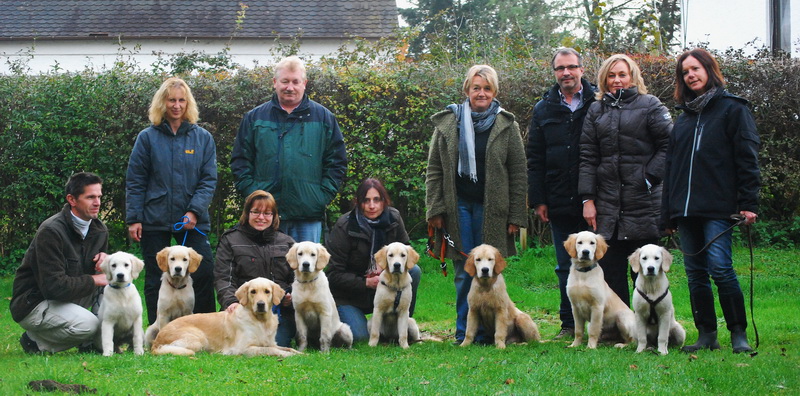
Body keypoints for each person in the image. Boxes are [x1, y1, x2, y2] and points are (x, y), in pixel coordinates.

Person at [663, 48, 760, 353]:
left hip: (719, 207)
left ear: (709, 69)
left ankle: (738, 333)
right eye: (685, 72)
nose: (690, 75)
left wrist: (749, 202)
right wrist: (667, 213)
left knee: (720, 268)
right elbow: (672, 168)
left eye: (695, 69)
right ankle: (706, 335)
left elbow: (747, 158)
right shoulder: (683, 119)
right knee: (695, 274)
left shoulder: (733, 109)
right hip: (685, 210)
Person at [426, 65, 528, 343]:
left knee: (491, 271)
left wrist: (516, 215)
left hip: (493, 209)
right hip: (458, 207)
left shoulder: (507, 124)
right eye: (476, 88)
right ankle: (465, 333)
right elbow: (434, 168)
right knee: (463, 270)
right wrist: (435, 209)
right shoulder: (448, 123)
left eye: (487, 88)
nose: (481, 93)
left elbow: (518, 172)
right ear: (467, 91)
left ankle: (491, 332)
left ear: (494, 92)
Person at [579, 54, 672, 308]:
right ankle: (619, 329)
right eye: (611, 75)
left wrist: (649, 178)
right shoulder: (596, 109)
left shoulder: (651, 105)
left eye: (622, 74)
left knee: (645, 273)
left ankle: (650, 329)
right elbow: (588, 155)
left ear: (632, 77)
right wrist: (588, 198)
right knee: (610, 271)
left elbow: (669, 146)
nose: (617, 80)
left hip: (643, 201)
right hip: (608, 204)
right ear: (604, 79)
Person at [126, 77, 217, 326]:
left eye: (181, 100)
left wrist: (194, 211)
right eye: (171, 100)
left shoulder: (203, 138)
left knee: (205, 270)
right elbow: (136, 180)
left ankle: (206, 326)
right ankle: (159, 330)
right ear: (162, 103)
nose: (176, 105)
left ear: (188, 104)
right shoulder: (147, 138)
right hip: (154, 219)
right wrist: (134, 218)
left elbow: (208, 180)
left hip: (193, 220)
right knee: (156, 276)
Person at [231, 55, 347, 243]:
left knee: (306, 271)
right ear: (275, 82)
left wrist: (321, 196)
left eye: (295, 82)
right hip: (265, 215)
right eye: (285, 81)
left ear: (305, 83)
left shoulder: (324, 118)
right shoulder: (254, 118)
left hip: (308, 215)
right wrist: (254, 196)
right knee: (266, 271)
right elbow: (240, 161)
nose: (290, 87)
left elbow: (337, 161)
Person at [527, 48, 595, 340]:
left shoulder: (597, 103)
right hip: (557, 199)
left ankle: (605, 323)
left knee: (600, 262)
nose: (566, 73)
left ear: (581, 69)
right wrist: (538, 199)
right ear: (554, 72)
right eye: (560, 69)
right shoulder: (543, 109)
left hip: (594, 198)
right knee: (564, 265)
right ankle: (569, 325)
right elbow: (535, 157)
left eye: (571, 67)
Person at [10, 172, 109, 353]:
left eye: (99, 197)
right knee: (89, 325)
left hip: (68, 297)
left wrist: (107, 261)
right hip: (34, 302)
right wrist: (96, 279)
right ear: (72, 199)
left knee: (116, 279)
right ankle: (35, 342)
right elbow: (53, 287)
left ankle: (91, 344)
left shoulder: (99, 229)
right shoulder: (51, 231)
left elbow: (102, 273)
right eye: (90, 197)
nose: (97, 203)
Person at [327, 178, 421, 342]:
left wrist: (385, 269)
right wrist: (366, 282)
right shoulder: (344, 225)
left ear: (384, 201)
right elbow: (333, 275)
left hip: (387, 286)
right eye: (366, 200)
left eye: (377, 200)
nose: (372, 206)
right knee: (360, 336)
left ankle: (400, 326)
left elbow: (406, 251)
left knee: (414, 271)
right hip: (350, 296)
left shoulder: (393, 217)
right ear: (358, 202)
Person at [214, 190, 297, 347]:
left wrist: (290, 297)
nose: (261, 218)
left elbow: (297, 279)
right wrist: (231, 301)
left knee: (279, 341)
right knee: (255, 344)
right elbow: (223, 277)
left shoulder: (287, 242)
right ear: (247, 213)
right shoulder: (230, 240)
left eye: (267, 213)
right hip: (243, 310)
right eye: (256, 212)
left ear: (274, 216)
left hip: (278, 311)